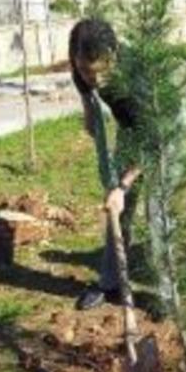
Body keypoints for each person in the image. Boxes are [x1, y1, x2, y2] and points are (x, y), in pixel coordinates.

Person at [68, 18, 142, 311]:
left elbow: (151, 143)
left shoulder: (137, 78)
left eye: (100, 71)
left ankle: (166, 290)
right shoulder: (80, 66)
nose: (95, 80)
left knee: (158, 213)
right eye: (87, 71)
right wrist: (91, 119)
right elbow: (89, 107)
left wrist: (123, 185)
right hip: (129, 127)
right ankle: (110, 282)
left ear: (114, 55)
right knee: (118, 210)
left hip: (162, 128)